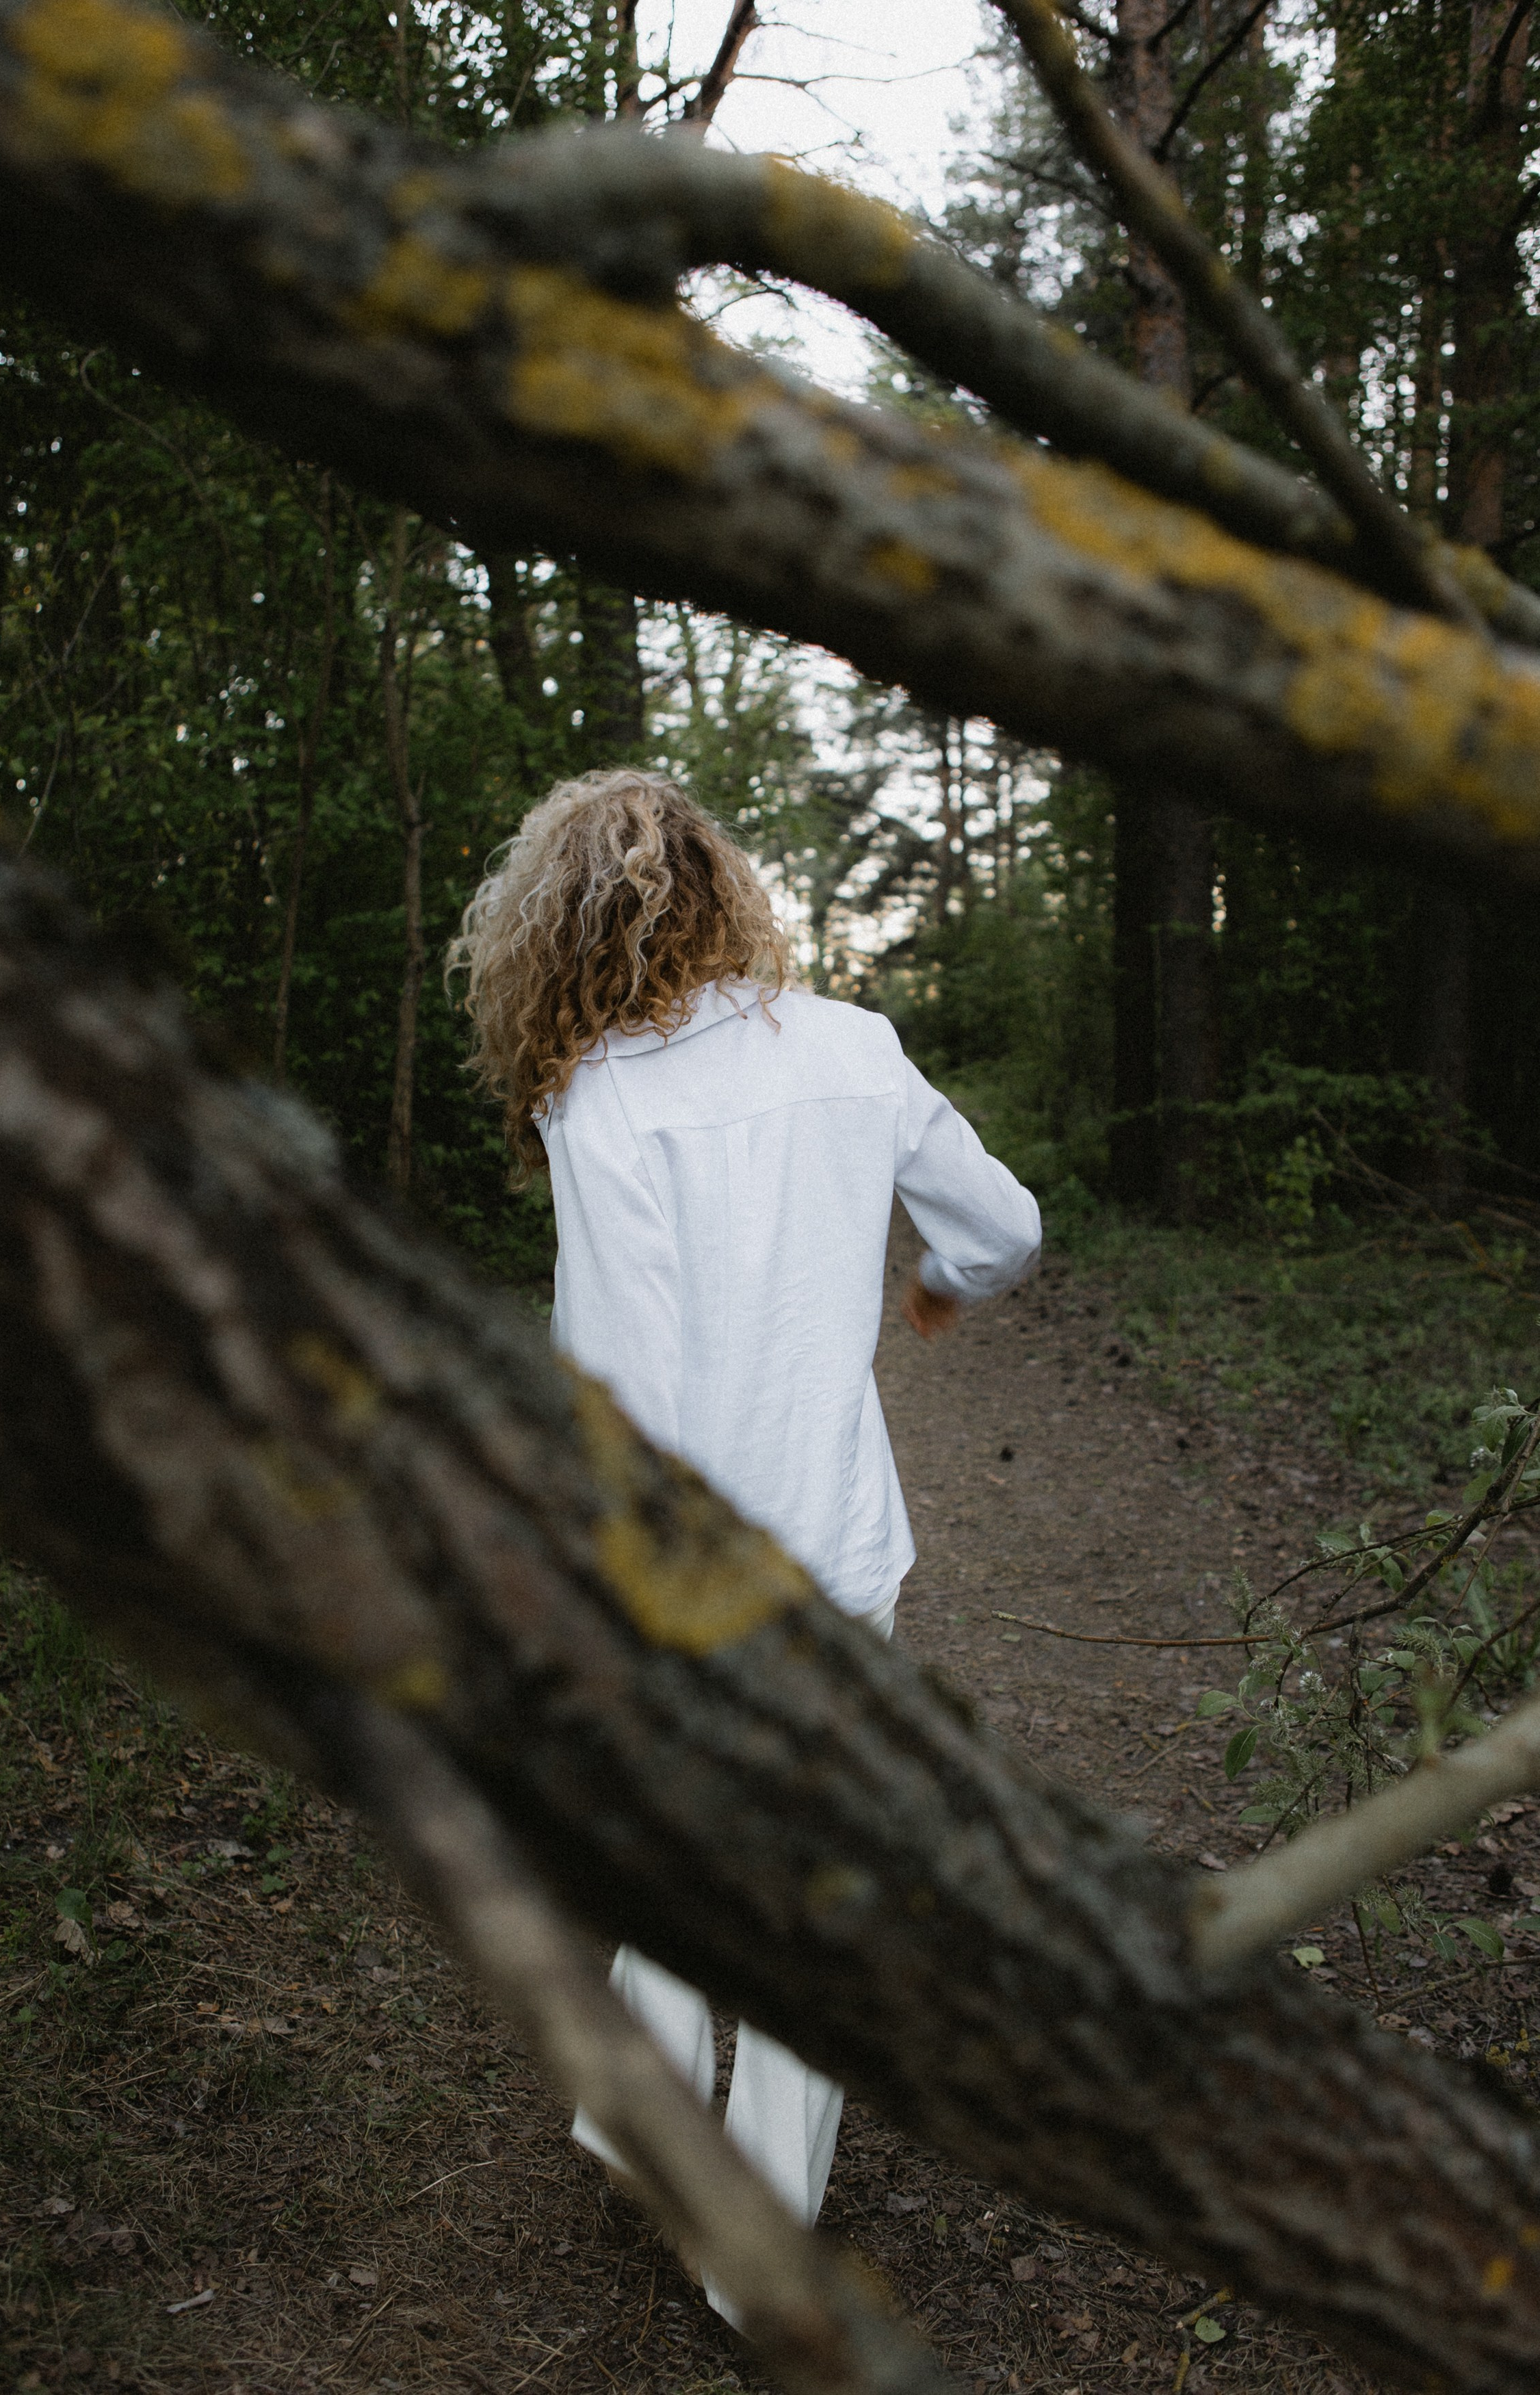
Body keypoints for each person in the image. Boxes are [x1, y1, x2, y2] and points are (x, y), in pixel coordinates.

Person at [447, 765, 1040, 2321]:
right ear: (724, 890)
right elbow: (1006, 1224)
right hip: (835, 1550)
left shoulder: (597, 1094)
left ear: (555, 934)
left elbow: (613, 1377)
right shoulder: (854, 1051)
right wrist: (943, 1285)